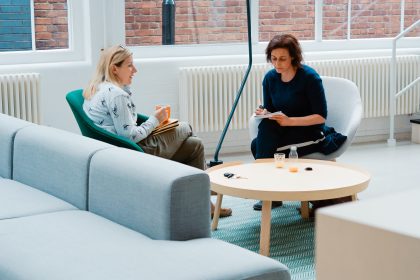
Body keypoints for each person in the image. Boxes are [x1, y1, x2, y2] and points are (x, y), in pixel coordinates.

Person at [83, 44, 232, 218]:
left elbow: (123, 126)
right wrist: (155, 120)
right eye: (129, 65)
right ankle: (199, 190)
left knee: (195, 145)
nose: (135, 70)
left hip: (121, 150)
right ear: (114, 68)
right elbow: (129, 135)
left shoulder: (99, 88)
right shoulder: (117, 95)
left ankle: (205, 204)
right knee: (185, 127)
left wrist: (155, 124)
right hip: (135, 152)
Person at [251, 34, 347, 212]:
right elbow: (271, 110)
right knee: (257, 141)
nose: (277, 64)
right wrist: (264, 113)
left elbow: (320, 116)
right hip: (285, 130)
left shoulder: (309, 78)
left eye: (282, 59)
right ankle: (271, 192)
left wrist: (289, 121)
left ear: (294, 57)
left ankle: (268, 191)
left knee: (259, 146)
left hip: (309, 131)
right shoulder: (270, 78)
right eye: (273, 59)